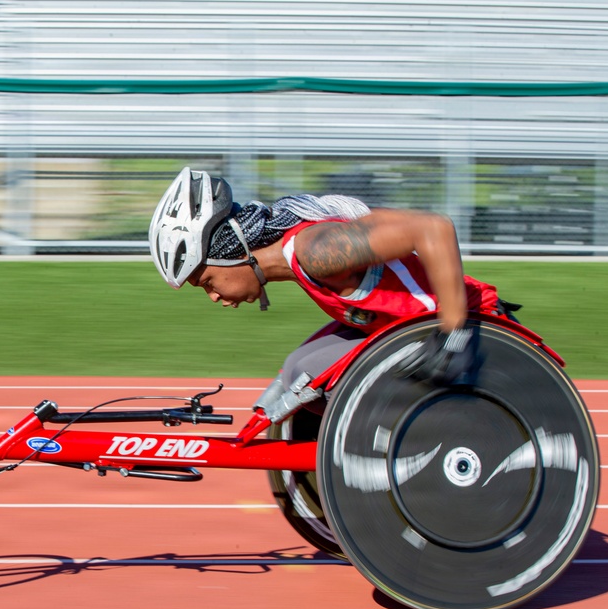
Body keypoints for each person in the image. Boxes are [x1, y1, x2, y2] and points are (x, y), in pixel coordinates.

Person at [148, 167, 517, 425]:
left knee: (310, 375)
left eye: (208, 282)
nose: (214, 297)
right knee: (299, 369)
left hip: (473, 327)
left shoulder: (318, 251)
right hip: (411, 335)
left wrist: (454, 333)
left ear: (231, 256)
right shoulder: (303, 260)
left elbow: (434, 228)